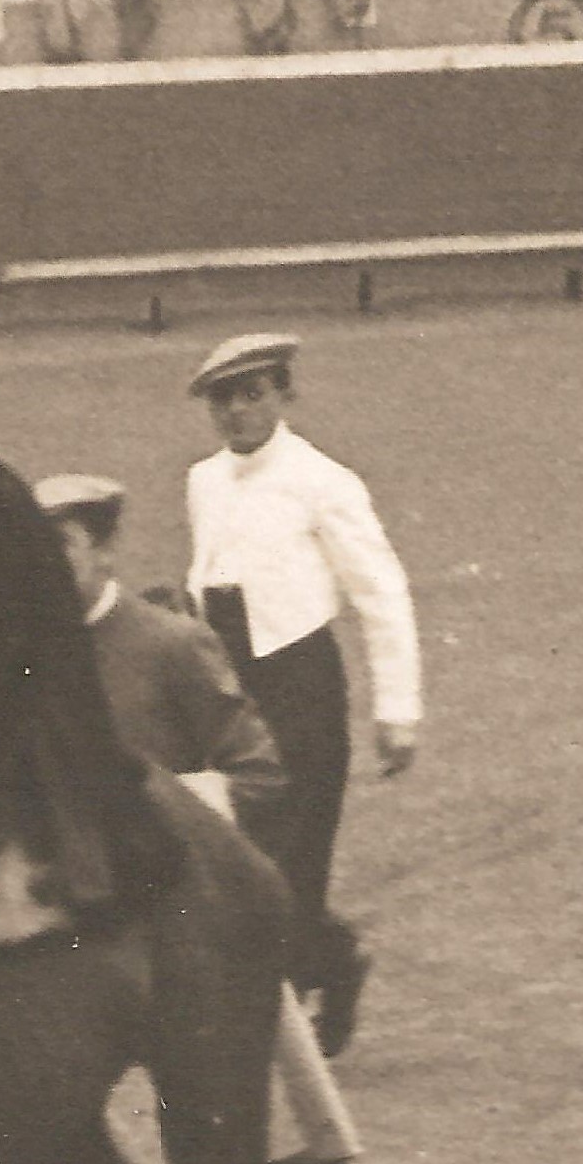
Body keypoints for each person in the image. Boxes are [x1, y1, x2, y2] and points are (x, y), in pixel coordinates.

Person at [0, 476, 377, 1164]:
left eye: (64, 547)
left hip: (192, 917)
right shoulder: (13, 661)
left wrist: (166, 821)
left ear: (104, 550)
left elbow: (264, 769)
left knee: (247, 1118)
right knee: (38, 1110)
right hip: (66, 929)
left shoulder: (166, 646)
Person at [177, 331, 423, 1054]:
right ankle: (330, 958)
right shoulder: (202, 480)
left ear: (284, 394)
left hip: (300, 689)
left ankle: (271, 1022)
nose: (236, 411)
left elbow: (381, 593)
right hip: (227, 692)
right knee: (238, 858)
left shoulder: (324, 481)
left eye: (252, 393)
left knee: (291, 858)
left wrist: (397, 710)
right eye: (222, 398)